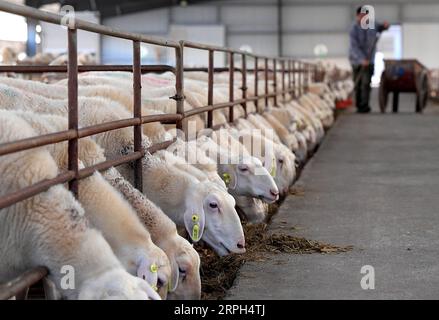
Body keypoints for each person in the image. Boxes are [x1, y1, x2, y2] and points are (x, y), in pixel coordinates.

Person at [349, 6, 389, 113]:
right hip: (356, 61)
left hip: (370, 59)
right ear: (357, 16)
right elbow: (354, 47)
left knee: (366, 83)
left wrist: (385, 26)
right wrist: (361, 59)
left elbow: (381, 27)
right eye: (361, 16)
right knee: (358, 83)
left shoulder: (372, 25)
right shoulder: (354, 29)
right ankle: (358, 105)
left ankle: (364, 106)